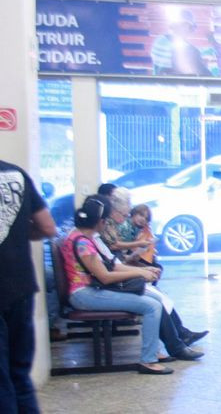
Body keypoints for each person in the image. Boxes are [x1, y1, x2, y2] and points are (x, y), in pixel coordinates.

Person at [60, 196, 173, 374]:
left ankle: (155, 351)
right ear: (100, 221)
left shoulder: (79, 236)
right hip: (84, 295)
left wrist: (143, 272)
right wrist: (140, 272)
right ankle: (148, 359)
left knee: (152, 297)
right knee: (152, 306)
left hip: (89, 291)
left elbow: (109, 267)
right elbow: (104, 276)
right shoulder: (83, 243)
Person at [100, 189, 208, 351]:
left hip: (119, 270)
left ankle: (179, 336)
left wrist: (139, 264)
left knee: (157, 293)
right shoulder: (100, 232)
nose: (125, 218)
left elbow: (115, 260)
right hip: (115, 279)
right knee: (154, 300)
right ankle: (175, 343)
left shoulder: (98, 234)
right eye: (124, 214)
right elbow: (112, 259)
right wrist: (140, 269)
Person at [0, 160, 57, 413]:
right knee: (19, 374)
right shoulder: (16, 173)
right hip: (21, 286)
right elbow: (47, 227)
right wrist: (17, 234)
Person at [151, 8, 211, 76]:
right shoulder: (188, 49)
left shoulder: (159, 39)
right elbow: (206, 77)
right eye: (186, 26)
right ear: (190, 28)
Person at [118, 204, 160, 270]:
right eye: (141, 215)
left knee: (155, 265)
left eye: (146, 219)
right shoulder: (125, 225)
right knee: (154, 268)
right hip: (119, 257)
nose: (143, 219)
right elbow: (120, 248)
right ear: (134, 213)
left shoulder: (138, 229)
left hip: (127, 256)